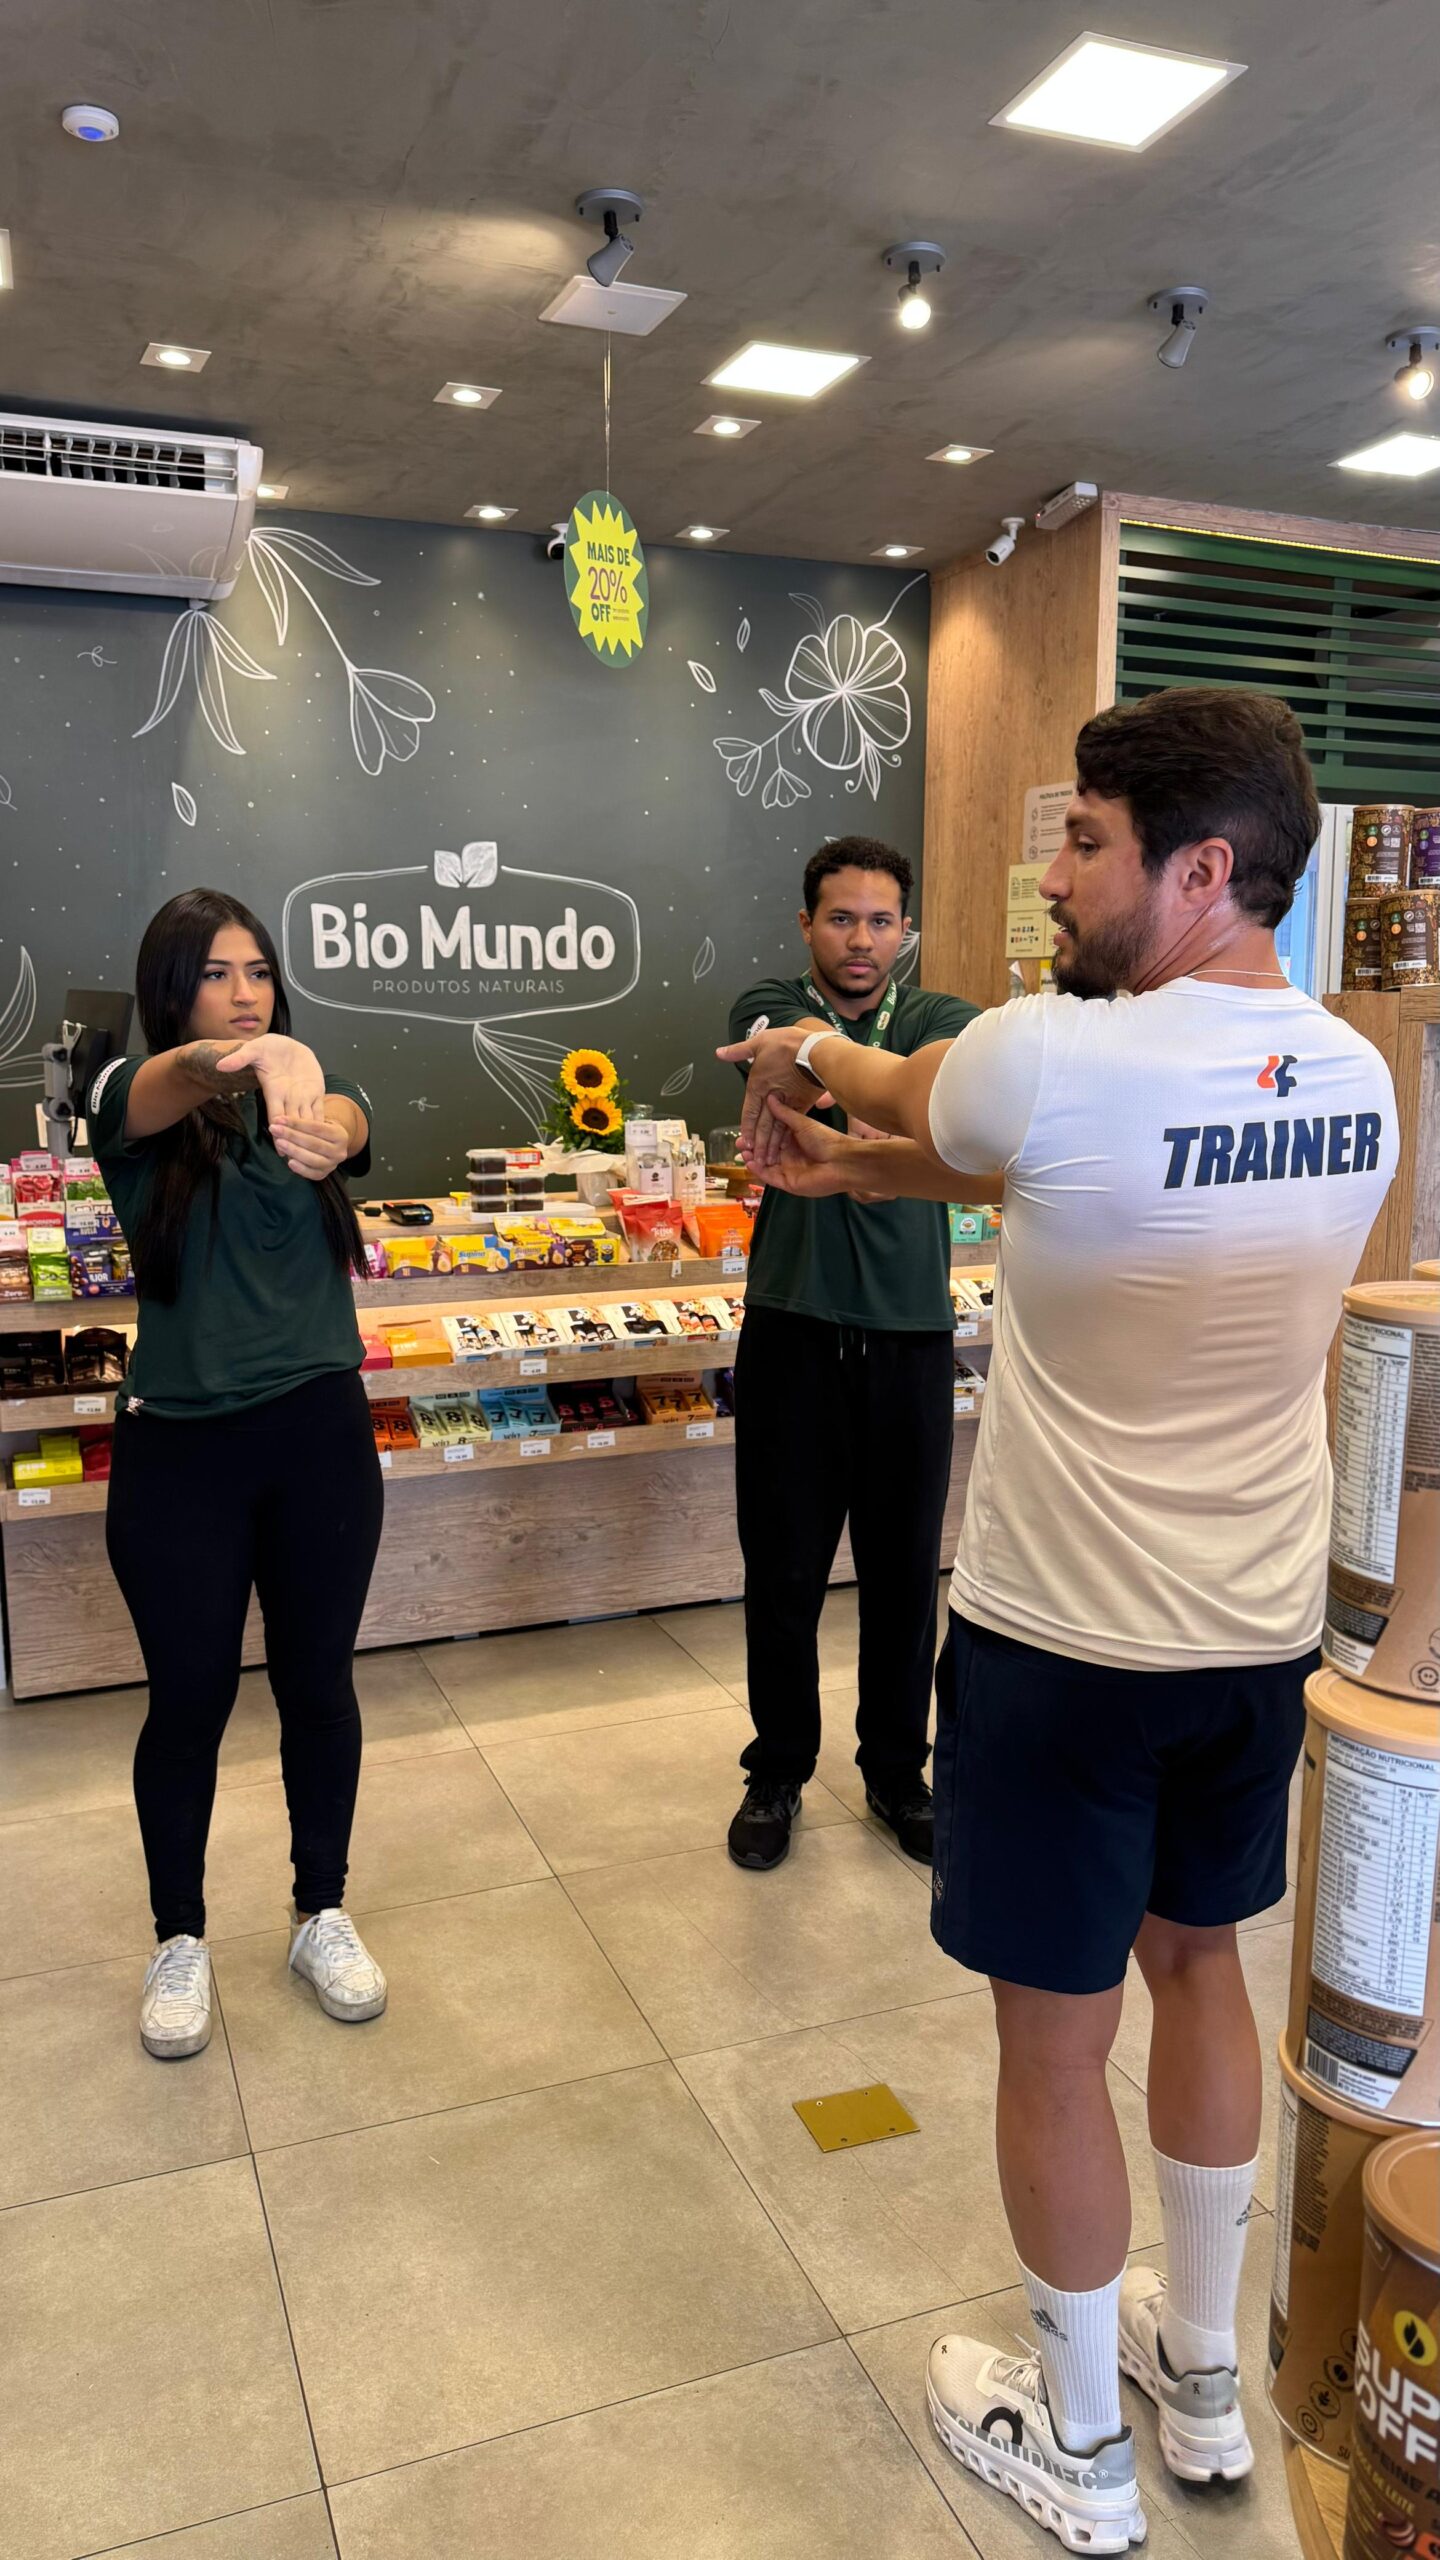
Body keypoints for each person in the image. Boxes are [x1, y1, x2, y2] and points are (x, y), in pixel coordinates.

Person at [721, 690, 1397, 2554]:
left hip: (1065, 1647)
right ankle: (1205, 2385)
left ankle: (1082, 2443)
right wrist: (867, 1173)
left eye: (1088, 842)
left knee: (1050, 2035)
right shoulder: (1351, 1076)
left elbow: (917, 1090)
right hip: (1254, 1637)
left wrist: (802, 1050)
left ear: (1199, 868)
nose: (1055, 875)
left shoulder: (1053, 1052)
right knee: (1203, 1969)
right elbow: (1070, 1169)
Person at [90, 889, 388, 2063]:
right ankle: (179, 1935)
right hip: (181, 1453)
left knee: (319, 1687)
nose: (245, 991)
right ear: (173, 989)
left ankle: (323, 1910)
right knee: (189, 1701)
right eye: (217, 972)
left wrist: (335, 1115)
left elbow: (351, 1120)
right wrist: (255, 1058)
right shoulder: (131, 1099)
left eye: (259, 970)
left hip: (319, 1440)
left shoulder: (308, 1097)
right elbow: (164, 1081)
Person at [723, 837, 980, 1872]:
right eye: (841, 918)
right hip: (791, 1329)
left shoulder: (939, 1017)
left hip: (912, 1339)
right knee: (782, 1570)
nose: (861, 939)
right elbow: (787, 1063)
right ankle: (778, 1769)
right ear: (806, 926)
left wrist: (854, 1085)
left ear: (905, 930)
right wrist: (875, 1095)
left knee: (903, 1573)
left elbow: (941, 1095)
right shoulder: (765, 1003)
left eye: (880, 920)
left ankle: (896, 1773)